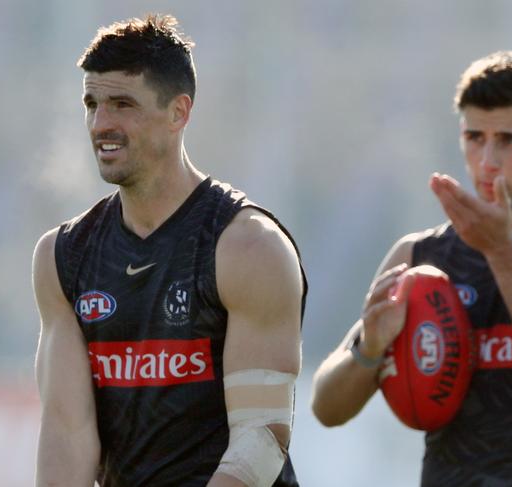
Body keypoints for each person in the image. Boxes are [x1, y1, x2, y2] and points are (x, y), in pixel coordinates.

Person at [311, 50, 512, 486]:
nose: (487, 160)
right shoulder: (421, 256)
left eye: (509, 140)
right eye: (474, 137)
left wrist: (502, 251)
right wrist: (369, 349)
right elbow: (326, 408)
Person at [32, 14, 306, 487]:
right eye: (92, 103)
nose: (101, 124)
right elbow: (67, 435)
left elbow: (261, 440)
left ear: (179, 112)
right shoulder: (63, 257)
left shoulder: (248, 247)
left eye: (122, 104)